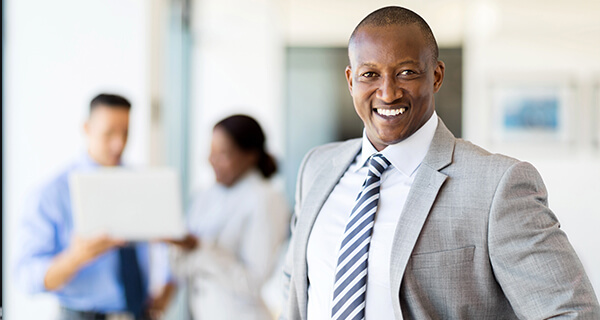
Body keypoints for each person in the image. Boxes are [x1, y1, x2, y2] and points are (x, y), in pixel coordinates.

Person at [280, 6, 600, 320]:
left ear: (436, 76)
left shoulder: (496, 185)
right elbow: (296, 286)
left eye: (406, 72)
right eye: (370, 74)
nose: (388, 93)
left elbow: (572, 313)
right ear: (351, 81)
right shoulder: (317, 167)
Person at [14, 93, 175, 320]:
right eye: (109, 133)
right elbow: (25, 277)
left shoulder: (141, 184)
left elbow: (167, 246)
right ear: (87, 128)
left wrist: (167, 286)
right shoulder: (51, 194)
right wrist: (75, 258)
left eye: (126, 133)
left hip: (140, 313)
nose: (119, 144)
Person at [168, 115, 290, 320]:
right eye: (211, 152)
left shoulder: (266, 199)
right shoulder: (205, 195)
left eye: (223, 154)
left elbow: (253, 281)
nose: (211, 160)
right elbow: (182, 268)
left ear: (250, 156)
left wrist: (200, 248)